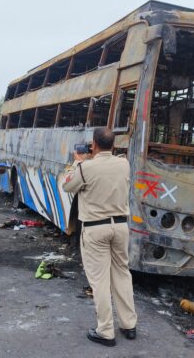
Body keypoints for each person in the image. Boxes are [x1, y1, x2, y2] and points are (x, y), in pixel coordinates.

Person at [62, 128, 137, 347]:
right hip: (120, 227)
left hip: (95, 229)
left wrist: (77, 162)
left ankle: (105, 331)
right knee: (122, 274)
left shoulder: (86, 167)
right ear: (113, 144)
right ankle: (129, 325)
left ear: (93, 144)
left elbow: (68, 186)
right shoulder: (124, 163)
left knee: (100, 281)